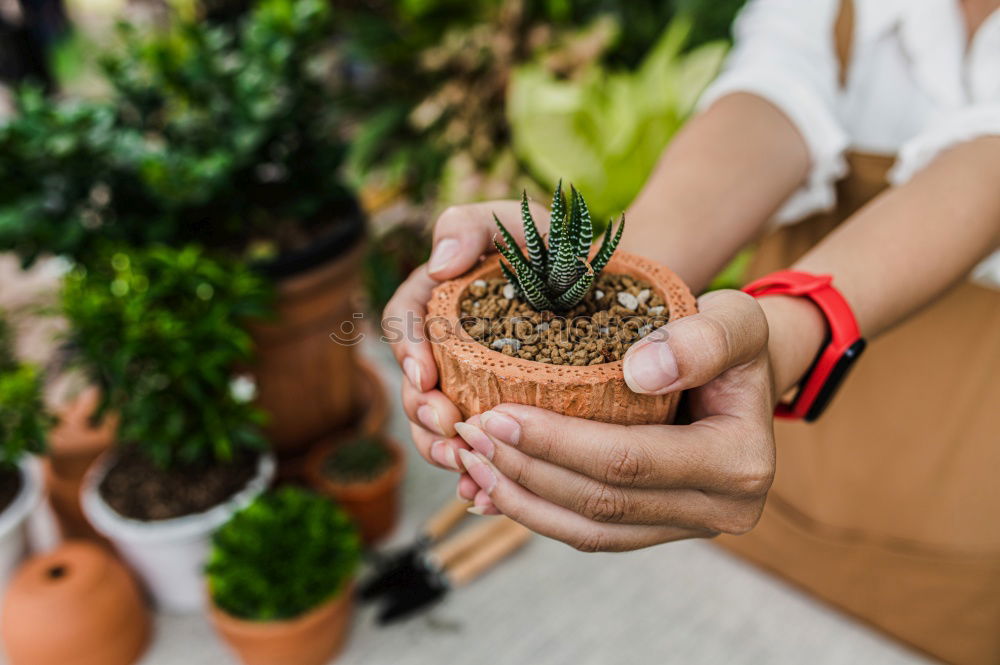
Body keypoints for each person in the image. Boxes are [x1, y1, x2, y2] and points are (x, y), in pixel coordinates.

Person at [383, 1, 1000, 662]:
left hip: (965, 465)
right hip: (744, 446)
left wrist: (784, 330)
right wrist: (617, 284)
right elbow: (775, 87)